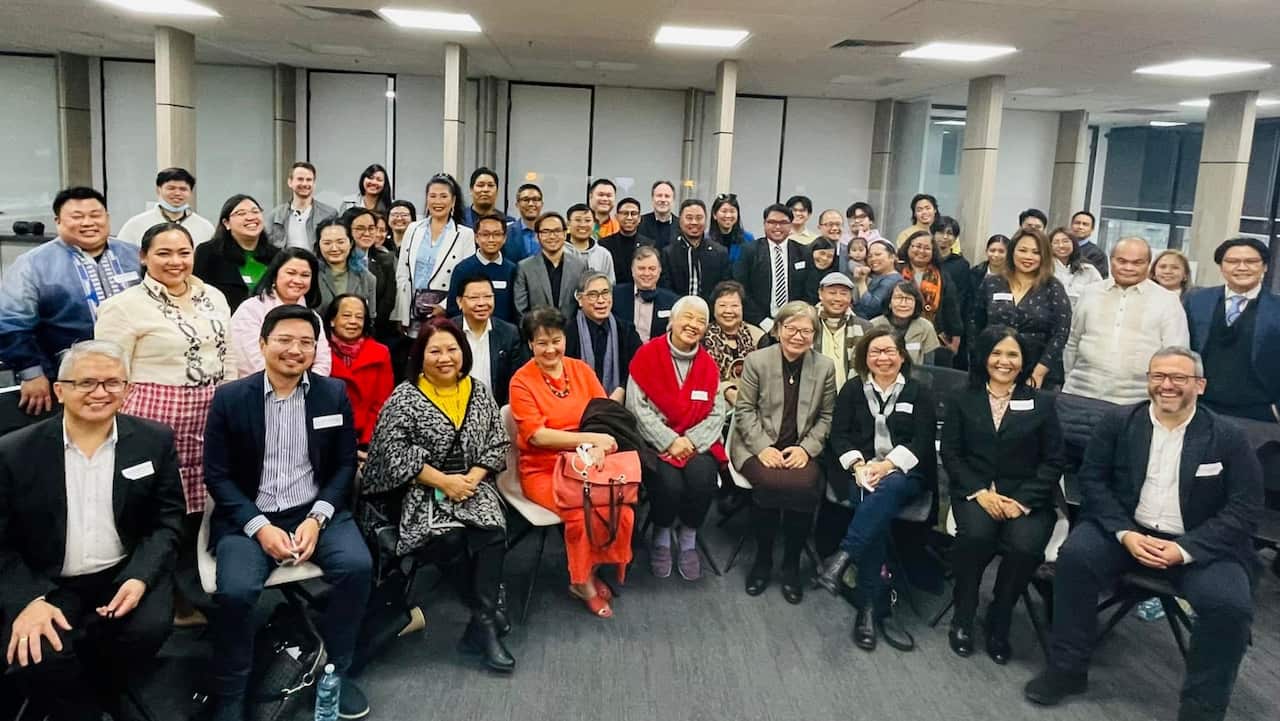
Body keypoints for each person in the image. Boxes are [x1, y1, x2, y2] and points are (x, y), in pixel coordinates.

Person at [1024, 347, 1262, 721]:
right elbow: (1093, 481)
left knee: (1229, 605)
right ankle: (1067, 670)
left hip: (1200, 544)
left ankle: (1202, 707)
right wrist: (1124, 533)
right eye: (1158, 376)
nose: (1166, 385)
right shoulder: (1120, 423)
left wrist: (1185, 550)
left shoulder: (1228, 437)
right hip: (1127, 531)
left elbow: (1245, 509)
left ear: (1199, 385)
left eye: (1178, 378)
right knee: (1075, 558)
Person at [203, 304, 372, 721]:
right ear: (262, 344)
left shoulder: (331, 394)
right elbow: (217, 475)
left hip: (313, 510)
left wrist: (318, 517)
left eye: (306, 343)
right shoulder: (230, 398)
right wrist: (260, 528)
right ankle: (232, 692)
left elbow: (344, 466)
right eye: (284, 340)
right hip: (249, 516)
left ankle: (336, 670)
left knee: (358, 567)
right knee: (237, 592)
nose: (295, 350)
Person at [0, 340, 184, 721]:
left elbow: (167, 521)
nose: (100, 393)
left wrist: (140, 577)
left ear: (128, 391)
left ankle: (103, 689)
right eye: (86, 383)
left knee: (146, 631)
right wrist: (28, 600)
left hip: (121, 573)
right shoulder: (14, 452)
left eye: (113, 383)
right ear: (60, 390)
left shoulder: (154, 440)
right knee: (40, 654)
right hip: (48, 580)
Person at [358, 318, 513, 672]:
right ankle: (486, 622)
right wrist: (444, 482)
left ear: (464, 353)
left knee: (492, 531)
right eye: (435, 351)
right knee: (448, 539)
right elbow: (390, 453)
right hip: (423, 489)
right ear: (420, 356)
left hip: (473, 484)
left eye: (452, 349)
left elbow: (497, 440)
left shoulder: (478, 390)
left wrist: (473, 477)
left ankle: (482, 624)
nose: (445, 358)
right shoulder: (406, 396)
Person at [940, 326, 1064, 664]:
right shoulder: (962, 397)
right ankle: (964, 614)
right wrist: (979, 492)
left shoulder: (1041, 403)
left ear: (1024, 361)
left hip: (1027, 498)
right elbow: (950, 453)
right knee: (976, 537)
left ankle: (1000, 615)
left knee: (1025, 547)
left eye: (1012, 354)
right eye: (996, 353)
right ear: (983, 356)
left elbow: (1054, 460)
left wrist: (1022, 501)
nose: (1004, 361)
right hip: (975, 491)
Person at [95, 221, 233, 515]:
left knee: (209, 498)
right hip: (154, 413)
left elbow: (228, 354)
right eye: (164, 253)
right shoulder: (123, 305)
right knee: (157, 498)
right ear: (143, 257)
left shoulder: (214, 296)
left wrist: (231, 400)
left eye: (184, 253)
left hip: (212, 410)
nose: (175, 262)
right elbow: (109, 371)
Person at [816, 327, 936, 652]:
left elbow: (922, 442)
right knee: (875, 511)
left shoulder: (919, 393)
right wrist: (858, 466)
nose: (882, 358)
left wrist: (886, 466)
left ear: (901, 356)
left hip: (905, 473)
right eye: (875, 352)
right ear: (865, 358)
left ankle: (843, 558)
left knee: (886, 489)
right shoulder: (853, 390)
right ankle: (870, 607)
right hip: (859, 473)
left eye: (889, 351)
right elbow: (838, 435)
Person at [508, 307, 634, 618]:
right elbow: (537, 436)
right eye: (541, 343)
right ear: (530, 345)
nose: (550, 349)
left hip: (587, 459)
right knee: (581, 511)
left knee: (618, 500)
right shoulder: (521, 381)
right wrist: (587, 441)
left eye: (556, 340)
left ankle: (592, 565)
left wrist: (601, 446)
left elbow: (600, 415)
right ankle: (583, 582)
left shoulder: (580, 370)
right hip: (542, 467)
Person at [0, 186, 142, 417]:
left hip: (135, 376)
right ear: (58, 221)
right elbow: (11, 324)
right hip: (68, 379)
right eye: (77, 217)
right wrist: (31, 373)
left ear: (107, 218)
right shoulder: (33, 264)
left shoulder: (134, 255)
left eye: (95, 215)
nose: (88, 222)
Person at [732, 301, 837, 604]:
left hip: (801, 447)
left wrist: (806, 449)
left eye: (806, 331)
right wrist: (763, 447)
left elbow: (827, 417)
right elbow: (744, 411)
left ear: (814, 336)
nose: (798, 335)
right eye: (791, 328)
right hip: (756, 444)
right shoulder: (757, 361)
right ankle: (763, 561)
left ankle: (790, 565)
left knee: (805, 486)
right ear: (778, 330)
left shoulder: (824, 366)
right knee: (771, 481)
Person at [626, 296, 726, 580]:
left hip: (697, 443)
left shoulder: (708, 365)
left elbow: (717, 413)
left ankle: (689, 536)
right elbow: (636, 407)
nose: (693, 325)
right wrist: (670, 441)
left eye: (701, 321)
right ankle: (661, 532)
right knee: (667, 483)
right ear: (672, 320)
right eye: (688, 317)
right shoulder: (647, 355)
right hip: (657, 442)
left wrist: (691, 442)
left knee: (702, 478)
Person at [1063, 237, 1188, 406]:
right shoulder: (1090, 292)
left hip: (1136, 401)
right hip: (1079, 392)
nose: (1128, 268)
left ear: (1149, 264)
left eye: (1137, 263)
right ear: (1111, 259)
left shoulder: (1167, 301)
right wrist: (1069, 376)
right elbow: (1072, 342)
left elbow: (1176, 355)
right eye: (1121, 261)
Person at [1184, 236, 1280, 423]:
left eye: (1251, 262)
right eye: (1233, 261)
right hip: (1200, 408)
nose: (1242, 267)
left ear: (1265, 267)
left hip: (1260, 414)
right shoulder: (1197, 300)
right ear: (1221, 267)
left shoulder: (1277, 308)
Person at [971, 229, 1071, 389]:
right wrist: (980, 362)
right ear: (1012, 252)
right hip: (993, 368)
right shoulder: (992, 283)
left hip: (1036, 373)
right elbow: (975, 326)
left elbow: (1061, 333)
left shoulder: (1053, 287)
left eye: (1036, 252)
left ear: (1044, 256)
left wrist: (1039, 373)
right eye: (1022, 250)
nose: (1028, 257)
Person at [228, 247, 332, 377]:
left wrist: (308, 387)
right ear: (275, 274)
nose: (297, 280)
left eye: (305, 275)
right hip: (255, 388)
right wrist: (286, 385)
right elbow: (252, 362)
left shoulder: (313, 316)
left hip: (306, 390)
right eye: (291, 273)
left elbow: (323, 361)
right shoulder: (251, 309)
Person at [394, 173, 476, 335]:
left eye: (443, 196)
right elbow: (402, 273)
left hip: (444, 313)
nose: (437, 202)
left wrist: (445, 306)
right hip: (412, 312)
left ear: (453, 201)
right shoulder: (413, 229)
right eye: (432, 196)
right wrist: (402, 312)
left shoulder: (464, 234)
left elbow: (468, 279)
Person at [324, 293, 393, 447]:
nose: (353, 322)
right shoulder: (319, 352)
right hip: (326, 436)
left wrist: (366, 442)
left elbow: (382, 402)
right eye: (347, 316)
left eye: (359, 317)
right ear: (332, 320)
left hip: (365, 437)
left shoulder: (380, 353)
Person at [193, 194, 280, 313]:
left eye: (255, 211)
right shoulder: (208, 252)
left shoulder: (277, 255)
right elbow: (196, 293)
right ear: (226, 223)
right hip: (223, 322)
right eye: (241, 213)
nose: (250, 217)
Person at [565, 273, 643, 402]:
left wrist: (622, 389)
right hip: (577, 404)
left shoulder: (626, 330)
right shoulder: (568, 333)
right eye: (593, 295)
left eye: (605, 293)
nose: (601, 300)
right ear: (579, 299)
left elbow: (639, 365)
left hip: (620, 404)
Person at [735, 203, 814, 331]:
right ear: (764, 224)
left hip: (795, 322)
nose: (777, 227)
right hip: (757, 323)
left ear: (791, 224)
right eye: (772, 222)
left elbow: (809, 291)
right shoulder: (749, 250)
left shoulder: (803, 252)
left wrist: (795, 319)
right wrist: (762, 321)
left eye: (783, 222)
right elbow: (741, 289)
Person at [450, 275, 523, 406]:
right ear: (459, 302)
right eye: (474, 298)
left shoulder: (509, 334)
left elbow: (516, 381)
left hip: (495, 410)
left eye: (488, 297)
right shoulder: (446, 332)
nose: (482, 303)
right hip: (454, 407)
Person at [897, 229, 962, 353]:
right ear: (908, 247)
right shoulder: (896, 270)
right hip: (899, 332)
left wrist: (955, 340)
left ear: (933, 252)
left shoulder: (942, 275)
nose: (921, 251)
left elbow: (952, 307)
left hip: (934, 335)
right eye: (917, 246)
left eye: (927, 248)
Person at [513, 211, 587, 319]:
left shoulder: (580, 266)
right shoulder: (525, 267)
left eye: (557, 231)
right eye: (546, 232)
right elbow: (521, 310)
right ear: (537, 236)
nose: (552, 236)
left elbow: (584, 304)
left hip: (572, 332)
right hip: (538, 332)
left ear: (565, 234)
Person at [703, 280, 766, 406]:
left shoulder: (759, 337)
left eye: (734, 306)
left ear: (743, 308)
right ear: (713, 308)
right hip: (714, 401)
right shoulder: (702, 337)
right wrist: (726, 390)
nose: (728, 311)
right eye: (722, 305)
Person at [446, 213, 518, 322]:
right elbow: (453, 309)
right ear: (476, 237)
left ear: (504, 238)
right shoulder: (463, 269)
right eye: (485, 234)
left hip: (504, 334)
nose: (491, 239)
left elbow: (516, 309)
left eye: (497, 234)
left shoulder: (512, 269)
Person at [116, 167, 215, 246]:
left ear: (190, 192)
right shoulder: (135, 225)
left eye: (183, 189)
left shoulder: (205, 227)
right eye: (171, 188)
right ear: (158, 190)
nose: (177, 193)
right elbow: (122, 257)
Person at [659, 199, 731, 301]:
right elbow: (665, 289)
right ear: (680, 221)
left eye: (699, 218)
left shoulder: (720, 252)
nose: (694, 222)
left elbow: (723, 288)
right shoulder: (668, 253)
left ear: (706, 220)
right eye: (689, 218)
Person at [813, 272, 872, 392]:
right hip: (811, 395)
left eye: (844, 294)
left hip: (850, 396)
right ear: (820, 294)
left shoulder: (865, 328)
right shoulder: (806, 322)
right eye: (832, 293)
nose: (838, 298)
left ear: (850, 297)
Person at [347, 209, 398, 334]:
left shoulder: (386, 261)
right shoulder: (340, 260)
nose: (367, 233)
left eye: (371, 228)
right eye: (360, 228)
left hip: (376, 330)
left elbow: (388, 301)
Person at [613, 245, 678, 342]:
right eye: (641, 268)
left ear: (659, 270)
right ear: (632, 270)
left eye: (652, 268)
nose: (647, 273)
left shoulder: (673, 301)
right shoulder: (615, 295)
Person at [315, 218, 377, 320]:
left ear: (351, 243)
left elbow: (370, 318)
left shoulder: (367, 278)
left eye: (340, 242)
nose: (334, 248)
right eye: (327, 243)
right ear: (319, 245)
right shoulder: (310, 275)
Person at [266, 161, 337, 250]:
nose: (304, 184)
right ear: (290, 182)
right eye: (300, 179)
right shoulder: (275, 215)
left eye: (309, 180)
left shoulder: (329, 214)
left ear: (314, 183)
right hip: (286, 263)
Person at [871, 281, 941, 365]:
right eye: (898, 298)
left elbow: (929, 368)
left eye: (909, 299)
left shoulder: (926, 327)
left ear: (916, 303)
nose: (903, 304)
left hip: (916, 376)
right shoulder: (873, 326)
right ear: (889, 303)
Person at [600, 197, 655, 285]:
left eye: (633, 213)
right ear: (616, 217)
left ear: (639, 218)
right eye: (625, 213)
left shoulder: (649, 245)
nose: (629, 217)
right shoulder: (604, 244)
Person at [1049, 226, 1103, 308]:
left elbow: (1099, 296)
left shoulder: (1088, 269)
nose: (1061, 245)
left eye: (1065, 241)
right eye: (1056, 242)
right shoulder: (1044, 268)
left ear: (1074, 243)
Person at [852, 238, 902, 319]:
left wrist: (861, 282)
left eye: (878, 254)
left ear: (892, 257)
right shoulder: (874, 276)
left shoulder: (893, 280)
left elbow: (871, 307)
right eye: (870, 256)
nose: (873, 259)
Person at [565, 202, 616, 280]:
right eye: (578, 220)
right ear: (568, 224)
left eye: (587, 220)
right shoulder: (559, 251)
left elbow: (610, 285)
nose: (583, 224)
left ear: (594, 224)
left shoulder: (604, 254)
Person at [708, 193, 754, 264]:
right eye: (724, 211)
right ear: (714, 214)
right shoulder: (706, 240)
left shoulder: (748, 239)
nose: (728, 215)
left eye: (732, 211)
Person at [841, 201, 884, 277]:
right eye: (853, 218)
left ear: (871, 220)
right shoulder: (840, 241)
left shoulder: (881, 243)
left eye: (861, 217)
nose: (856, 221)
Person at [505, 183, 544, 263]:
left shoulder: (552, 233)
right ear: (517, 205)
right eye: (526, 200)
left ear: (542, 204)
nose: (531, 204)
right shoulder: (505, 232)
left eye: (536, 199)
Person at [638, 179, 677, 249]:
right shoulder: (640, 222)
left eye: (667, 196)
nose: (663, 200)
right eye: (659, 195)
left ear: (673, 200)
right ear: (652, 199)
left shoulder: (681, 226)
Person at [1070, 210, 1108, 278]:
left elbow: (1100, 279)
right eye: (1077, 223)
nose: (1080, 227)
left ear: (1092, 229)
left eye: (1085, 224)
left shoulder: (1097, 254)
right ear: (1071, 225)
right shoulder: (1061, 247)